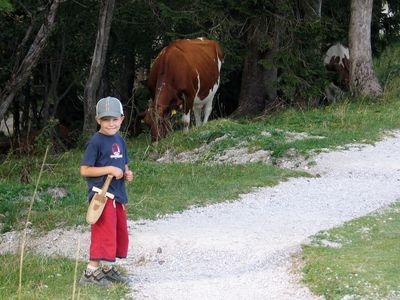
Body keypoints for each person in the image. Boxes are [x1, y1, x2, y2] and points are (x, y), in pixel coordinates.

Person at [79, 96, 134, 286]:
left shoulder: (120, 139)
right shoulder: (96, 142)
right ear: (98, 120)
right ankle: (90, 273)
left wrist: (126, 172)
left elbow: (123, 162)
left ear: (122, 118)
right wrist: (109, 169)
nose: (111, 124)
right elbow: (85, 170)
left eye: (114, 119)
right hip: (101, 196)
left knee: (116, 233)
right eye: (105, 120)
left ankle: (107, 268)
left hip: (117, 195)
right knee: (103, 233)